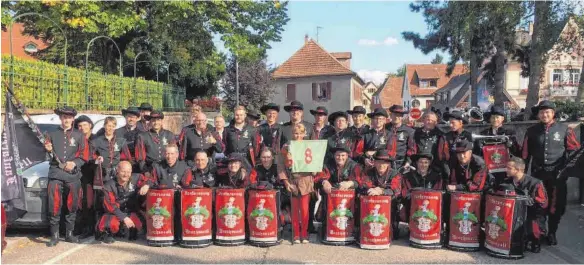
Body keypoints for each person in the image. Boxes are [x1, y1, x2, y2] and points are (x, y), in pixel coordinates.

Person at [521, 100, 580, 245]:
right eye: (542, 112)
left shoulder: (565, 129)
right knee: (538, 205)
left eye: (547, 112)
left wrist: (565, 170)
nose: (544, 115)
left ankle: (552, 232)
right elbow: (525, 155)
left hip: (557, 176)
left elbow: (575, 152)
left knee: (556, 206)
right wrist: (522, 175)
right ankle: (538, 234)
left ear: (553, 113)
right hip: (538, 176)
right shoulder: (531, 131)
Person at [44, 106, 90, 247]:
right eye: (64, 117)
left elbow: (84, 156)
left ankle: (69, 234)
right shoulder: (51, 135)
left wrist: (74, 163)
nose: (67, 120)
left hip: (73, 176)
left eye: (69, 117)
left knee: (72, 205)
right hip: (56, 174)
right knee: (54, 205)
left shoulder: (79, 136)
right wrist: (48, 149)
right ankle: (55, 236)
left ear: (73, 119)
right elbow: (46, 157)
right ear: (60, 118)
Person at [278, 123, 325, 244]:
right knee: (294, 209)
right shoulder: (286, 147)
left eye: (300, 133)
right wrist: (286, 182)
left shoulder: (309, 146)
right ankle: (296, 234)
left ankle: (304, 233)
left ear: (304, 134)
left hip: (306, 180)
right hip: (293, 180)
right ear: (291, 133)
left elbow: (316, 161)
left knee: (304, 209)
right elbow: (281, 165)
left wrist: (316, 169)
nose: (297, 135)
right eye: (295, 133)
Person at [141, 144, 192, 243]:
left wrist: (181, 188)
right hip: (162, 201)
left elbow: (187, 184)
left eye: (172, 154)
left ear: (177, 155)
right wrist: (147, 185)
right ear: (164, 154)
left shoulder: (185, 167)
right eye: (167, 153)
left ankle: (178, 235)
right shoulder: (157, 166)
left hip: (177, 200)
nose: (169, 156)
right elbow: (152, 179)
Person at [501, 157, 548, 253]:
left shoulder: (535, 183)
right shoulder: (507, 182)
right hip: (512, 213)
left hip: (530, 214)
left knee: (535, 223)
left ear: (518, 170)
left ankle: (535, 241)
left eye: (509, 168)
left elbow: (544, 203)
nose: (506, 170)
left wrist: (529, 200)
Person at [97, 161, 148, 244]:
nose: (126, 174)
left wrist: (146, 185)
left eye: (128, 172)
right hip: (115, 213)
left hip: (131, 211)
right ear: (117, 171)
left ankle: (130, 230)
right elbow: (110, 206)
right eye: (123, 171)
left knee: (141, 224)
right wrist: (124, 218)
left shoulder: (137, 178)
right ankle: (108, 233)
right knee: (111, 223)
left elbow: (150, 180)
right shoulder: (108, 185)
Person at [359, 152, 403, 239]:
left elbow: (396, 190)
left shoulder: (395, 174)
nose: (381, 165)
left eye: (384, 162)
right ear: (374, 163)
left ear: (388, 164)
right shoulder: (368, 172)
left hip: (390, 205)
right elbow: (364, 185)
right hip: (370, 204)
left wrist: (381, 191)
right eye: (378, 162)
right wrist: (372, 190)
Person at [73, 115, 97, 238]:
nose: (82, 128)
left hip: (92, 175)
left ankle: (90, 228)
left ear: (90, 126)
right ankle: (79, 227)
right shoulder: (76, 139)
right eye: (80, 126)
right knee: (79, 201)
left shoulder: (96, 139)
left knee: (89, 202)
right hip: (78, 174)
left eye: (85, 125)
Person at [438, 110, 473, 180]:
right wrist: (447, 172)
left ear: (460, 122)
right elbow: (442, 157)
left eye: (453, 123)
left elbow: (472, 154)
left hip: (466, 169)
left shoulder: (469, 136)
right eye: (450, 123)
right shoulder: (445, 137)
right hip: (450, 169)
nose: (450, 125)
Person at [411, 111, 446, 176]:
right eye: (428, 119)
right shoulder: (415, 133)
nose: (430, 122)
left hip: (434, 166)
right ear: (423, 120)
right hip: (418, 165)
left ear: (436, 122)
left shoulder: (440, 134)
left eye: (432, 120)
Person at [385, 105, 415, 170]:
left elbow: (411, 149)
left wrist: (408, 162)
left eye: (399, 115)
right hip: (386, 163)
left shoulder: (409, 131)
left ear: (402, 117)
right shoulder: (384, 128)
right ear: (390, 115)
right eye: (394, 114)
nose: (396, 117)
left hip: (402, 164)